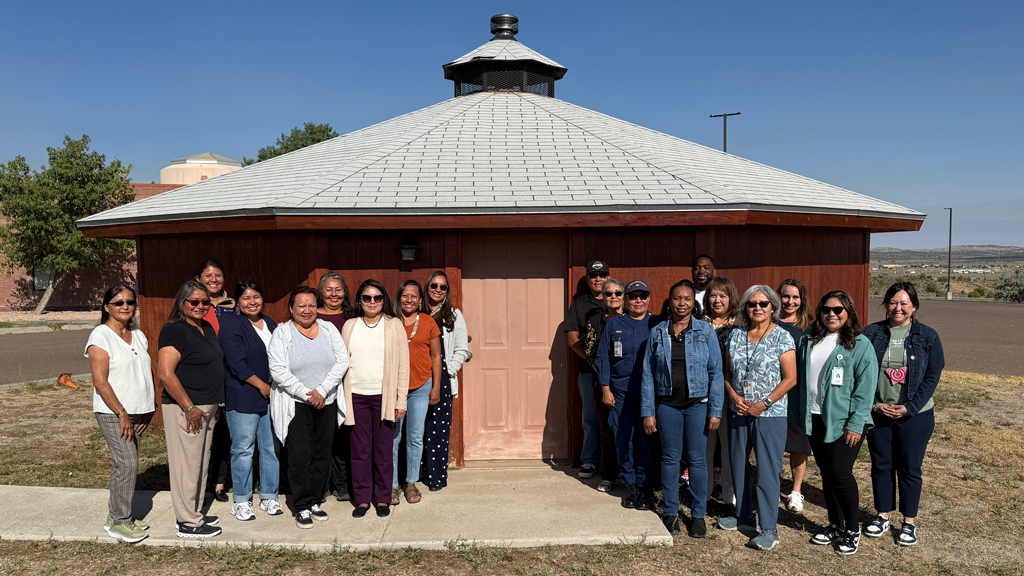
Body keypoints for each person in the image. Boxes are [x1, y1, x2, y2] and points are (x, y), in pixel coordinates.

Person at [793, 291, 878, 555]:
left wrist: (856, 423)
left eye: (838, 310)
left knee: (840, 474)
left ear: (848, 312)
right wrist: (798, 414)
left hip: (845, 422)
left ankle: (852, 529)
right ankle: (835, 525)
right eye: (827, 309)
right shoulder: (810, 339)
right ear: (819, 312)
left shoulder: (860, 344)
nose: (832, 314)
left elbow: (866, 389)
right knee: (827, 475)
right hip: (815, 418)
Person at [863, 282, 944, 547]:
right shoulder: (871, 333)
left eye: (904, 303)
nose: (898, 308)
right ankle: (882, 515)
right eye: (893, 302)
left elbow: (932, 376)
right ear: (886, 305)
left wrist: (910, 407)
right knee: (881, 465)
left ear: (914, 307)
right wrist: (875, 404)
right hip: (879, 413)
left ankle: (908, 522)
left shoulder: (928, 336)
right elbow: (860, 374)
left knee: (910, 468)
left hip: (916, 416)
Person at [641, 280, 723, 538]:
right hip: (667, 406)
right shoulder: (657, 333)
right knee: (670, 458)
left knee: (697, 460)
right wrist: (648, 411)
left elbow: (716, 373)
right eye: (677, 298)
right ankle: (671, 513)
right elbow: (647, 374)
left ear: (693, 303)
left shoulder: (705, 331)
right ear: (670, 301)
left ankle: (698, 515)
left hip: (697, 405)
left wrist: (715, 410)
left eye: (687, 298)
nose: (682, 303)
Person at [718, 285, 796, 551]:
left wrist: (764, 403)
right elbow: (727, 373)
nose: (758, 308)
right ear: (745, 308)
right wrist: (733, 396)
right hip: (739, 410)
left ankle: (769, 529)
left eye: (763, 304)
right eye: (752, 304)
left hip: (769, 413)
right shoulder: (736, 335)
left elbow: (791, 379)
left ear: (772, 307)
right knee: (738, 465)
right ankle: (744, 516)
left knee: (767, 471)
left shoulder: (782, 337)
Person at [268, 286, 349, 529]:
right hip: (295, 404)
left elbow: (342, 360)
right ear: (291, 308)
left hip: (326, 401)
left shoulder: (328, 329)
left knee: (322, 454)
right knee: (300, 456)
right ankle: (301, 504)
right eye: (301, 305)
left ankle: (315, 500)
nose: (307, 310)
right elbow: (278, 370)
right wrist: (307, 393)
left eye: (312, 305)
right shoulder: (282, 333)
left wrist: (322, 391)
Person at [86, 284, 154, 543]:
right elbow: (100, 381)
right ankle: (120, 521)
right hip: (114, 412)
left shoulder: (138, 335)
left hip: (138, 411)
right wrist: (122, 414)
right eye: (118, 302)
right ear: (106, 307)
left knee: (124, 464)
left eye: (130, 302)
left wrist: (150, 408)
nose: (125, 306)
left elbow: (143, 375)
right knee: (127, 463)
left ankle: (116, 514)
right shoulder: (100, 336)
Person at [157, 281, 225, 539]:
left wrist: (215, 404)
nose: (200, 306)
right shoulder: (175, 330)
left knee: (200, 462)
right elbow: (165, 373)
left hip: (206, 406)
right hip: (186, 407)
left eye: (205, 302)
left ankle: (194, 512)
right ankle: (188, 522)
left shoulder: (206, 327)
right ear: (181, 302)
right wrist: (189, 407)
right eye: (193, 302)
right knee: (186, 464)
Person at [341, 280, 410, 518]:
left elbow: (403, 365)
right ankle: (362, 499)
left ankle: (382, 498)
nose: (372, 302)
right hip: (356, 397)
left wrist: (401, 401)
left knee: (383, 450)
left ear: (384, 300)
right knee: (360, 451)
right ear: (359, 300)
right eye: (367, 298)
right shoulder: (349, 325)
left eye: (377, 298)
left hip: (384, 398)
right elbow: (342, 362)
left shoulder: (394, 325)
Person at [218, 281, 283, 521]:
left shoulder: (271, 323)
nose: (252, 301)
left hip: (271, 398)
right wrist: (262, 386)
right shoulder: (231, 326)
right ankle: (242, 500)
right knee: (243, 450)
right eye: (246, 298)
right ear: (237, 302)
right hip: (244, 395)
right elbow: (237, 364)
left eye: (256, 296)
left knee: (271, 448)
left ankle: (269, 496)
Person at [596, 280, 661, 510]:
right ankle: (631, 485)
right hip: (620, 392)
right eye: (633, 296)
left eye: (643, 296)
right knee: (624, 439)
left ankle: (646, 487)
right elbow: (603, 357)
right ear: (626, 299)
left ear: (649, 298)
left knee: (647, 439)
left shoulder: (657, 323)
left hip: (649, 393)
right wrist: (605, 388)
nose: (638, 300)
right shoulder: (615, 325)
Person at [392, 280, 442, 505]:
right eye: (405, 295)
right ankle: (391, 484)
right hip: (395, 388)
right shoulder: (390, 322)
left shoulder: (429, 322)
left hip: (422, 386)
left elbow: (436, 356)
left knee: (414, 437)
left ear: (421, 301)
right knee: (393, 438)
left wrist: (436, 387)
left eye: (414, 296)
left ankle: (411, 482)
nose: (409, 300)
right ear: (399, 298)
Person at [421, 270, 469, 492]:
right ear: (427, 287)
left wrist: (448, 371)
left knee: (438, 429)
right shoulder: (418, 311)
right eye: (434, 286)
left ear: (447, 291)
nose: (438, 290)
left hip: (443, 379)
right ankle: (417, 474)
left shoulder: (453, 315)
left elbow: (461, 348)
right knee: (416, 429)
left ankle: (437, 476)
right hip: (417, 378)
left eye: (442, 287)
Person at [565, 259, 610, 479]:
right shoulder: (579, 304)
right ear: (588, 279)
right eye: (594, 276)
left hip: (616, 371)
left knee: (614, 417)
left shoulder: (617, 300)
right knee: (590, 417)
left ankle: (615, 464)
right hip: (587, 369)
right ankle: (590, 460)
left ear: (608, 278)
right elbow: (572, 339)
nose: (598, 279)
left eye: (602, 275)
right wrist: (592, 359)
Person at [195, 259, 235, 502]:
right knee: (202, 432)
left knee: (223, 434)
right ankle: (199, 482)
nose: (213, 280)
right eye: (208, 275)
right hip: (203, 375)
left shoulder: (233, 306)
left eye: (218, 275)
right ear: (198, 278)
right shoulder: (195, 304)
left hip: (229, 375)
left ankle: (219, 483)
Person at [316, 271, 356, 502]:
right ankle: (320, 486)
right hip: (320, 386)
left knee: (342, 437)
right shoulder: (313, 316)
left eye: (338, 289)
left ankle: (342, 484)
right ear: (321, 292)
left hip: (347, 385)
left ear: (345, 292)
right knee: (321, 439)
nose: (333, 294)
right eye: (328, 289)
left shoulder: (352, 317)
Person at [777, 278, 815, 513]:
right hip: (771, 392)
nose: (790, 301)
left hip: (798, 393)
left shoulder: (809, 328)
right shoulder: (767, 321)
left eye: (795, 297)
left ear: (802, 300)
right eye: (786, 296)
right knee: (770, 443)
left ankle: (796, 491)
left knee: (798, 443)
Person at [584, 277, 625, 492]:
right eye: (609, 293)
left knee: (630, 429)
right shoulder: (595, 321)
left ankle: (630, 475)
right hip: (604, 385)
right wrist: (606, 382)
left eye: (618, 293)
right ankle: (608, 475)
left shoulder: (632, 318)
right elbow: (591, 356)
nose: (613, 297)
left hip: (629, 385)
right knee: (607, 428)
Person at [702, 276, 739, 514]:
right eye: (713, 295)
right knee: (704, 447)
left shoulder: (740, 326)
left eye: (722, 296)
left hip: (730, 393)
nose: (717, 300)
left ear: (731, 299)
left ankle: (729, 498)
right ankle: (703, 495)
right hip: (702, 395)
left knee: (729, 447)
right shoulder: (699, 323)